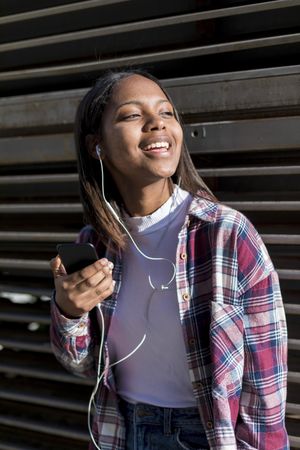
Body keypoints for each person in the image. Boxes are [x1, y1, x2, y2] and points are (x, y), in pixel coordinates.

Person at [50, 69, 289, 450]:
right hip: (124, 430)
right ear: (97, 145)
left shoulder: (227, 234)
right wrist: (69, 311)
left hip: (207, 436)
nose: (156, 124)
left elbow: (265, 383)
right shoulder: (94, 243)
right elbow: (81, 365)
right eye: (132, 115)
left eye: (166, 113)